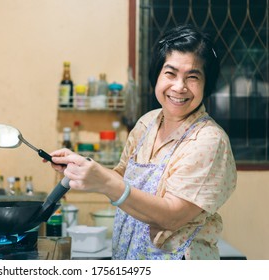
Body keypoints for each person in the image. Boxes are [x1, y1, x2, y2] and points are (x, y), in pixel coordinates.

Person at [48, 24, 237, 260]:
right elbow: (121, 177)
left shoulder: (208, 140)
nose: (179, 86)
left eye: (193, 77)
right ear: (157, 75)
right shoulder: (147, 123)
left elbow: (172, 216)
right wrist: (85, 168)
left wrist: (105, 182)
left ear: (206, 85)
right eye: (170, 73)